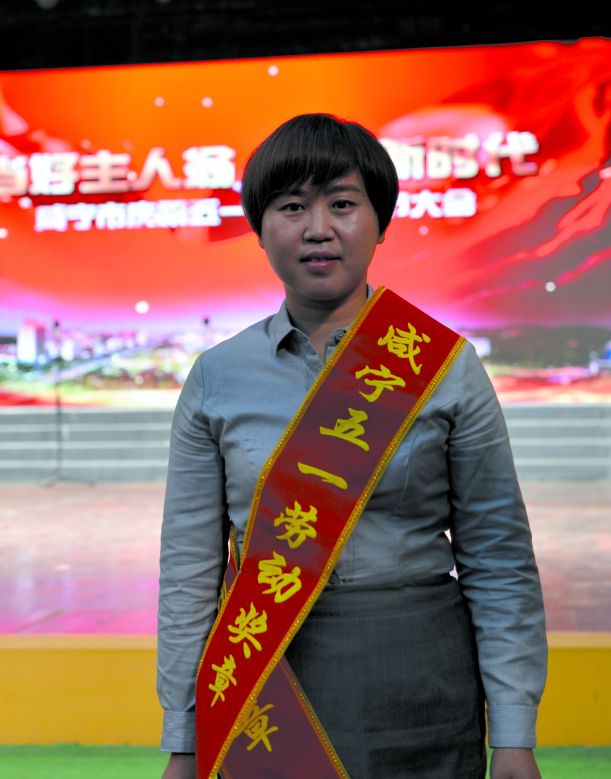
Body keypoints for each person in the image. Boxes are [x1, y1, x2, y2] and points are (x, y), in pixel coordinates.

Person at [157, 113, 547, 779]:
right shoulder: (216, 377)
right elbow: (189, 571)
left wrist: (513, 733)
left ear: (380, 221)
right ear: (258, 228)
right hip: (269, 681)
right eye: (291, 207)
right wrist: (185, 737)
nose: (318, 228)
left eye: (342, 204)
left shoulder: (443, 366)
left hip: (422, 677)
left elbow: (498, 558)